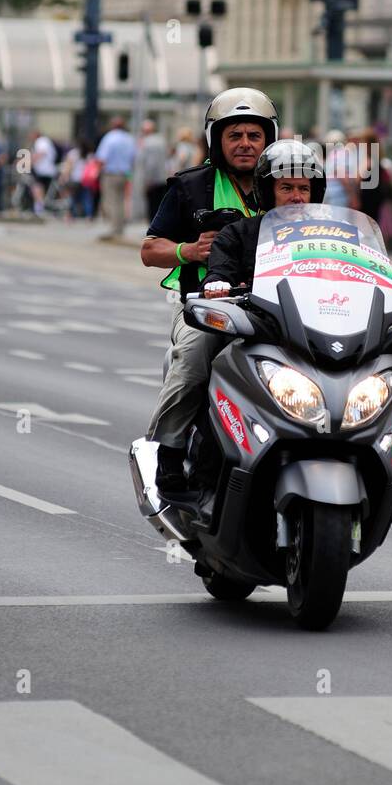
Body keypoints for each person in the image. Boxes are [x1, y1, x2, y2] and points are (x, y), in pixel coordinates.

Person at [141, 88, 279, 489]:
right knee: (195, 357)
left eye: (254, 135)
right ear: (215, 140)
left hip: (278, 308)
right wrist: (188, 250)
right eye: (234, 135)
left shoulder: (287, 183)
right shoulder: (191, 186)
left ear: (269, 139)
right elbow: (150, 250)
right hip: (209, 310)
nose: (245, 144)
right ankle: (168, 451)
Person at [202, 139, 326, 297]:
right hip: (256, 317)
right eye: (287, 188)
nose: (297, 197)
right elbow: (220, 270)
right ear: (268, 192)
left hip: (318, 313)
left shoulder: (330, 233)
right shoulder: (238, 233)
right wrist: (217, 283)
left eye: (304, 189)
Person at [94, 116, 137, 239]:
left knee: (111, 201)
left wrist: (97, 172)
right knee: (121, 201)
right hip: (125, 174)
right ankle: (120, 228)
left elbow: (101, 157)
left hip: (110, 173)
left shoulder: (109, 138)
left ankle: (113, 228)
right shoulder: (129, 139)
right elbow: (134, 157)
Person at [137, 119, 169, 223]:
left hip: (152, 180)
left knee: (151, 206)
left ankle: (152, 229)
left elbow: (151, 163)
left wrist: (148, 179)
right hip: (162, 178)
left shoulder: (147, 143)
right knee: (160, 205)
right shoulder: (161, 140)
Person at [29, 129, 58, 214]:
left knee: (37, 188)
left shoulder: (41, 141)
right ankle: (39, 207)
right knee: (40, 189)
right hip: (47, 170)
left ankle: (39, 208)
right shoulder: (45, 141)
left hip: (44, 171)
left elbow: (41, 153)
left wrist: (30, 162)